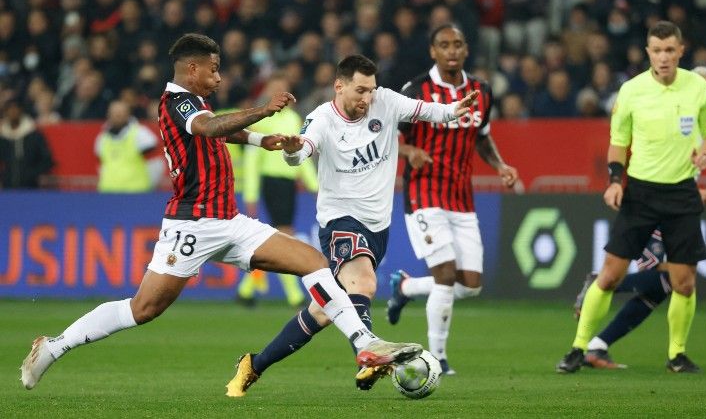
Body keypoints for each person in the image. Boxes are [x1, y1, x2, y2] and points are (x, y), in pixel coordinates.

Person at [20, 33, 422, 393]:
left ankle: (365, 345)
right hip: (191, 225)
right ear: (191, 69)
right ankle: (54, 347)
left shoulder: (196, 103)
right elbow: (209, 129)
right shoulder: (176, 102)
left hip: (229, 221)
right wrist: (263, 110)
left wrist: (262, 140)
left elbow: (220, 129)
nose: (218, 76)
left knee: (314, 263)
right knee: (143, 309)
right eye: (213, 69)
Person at [226, 53, 479, 394]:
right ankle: (368, 354)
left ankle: (253, 365)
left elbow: (423, 110)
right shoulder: (321, 119)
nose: (367, 98)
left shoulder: (386, 102)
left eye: (371, 90)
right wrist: (290, 150)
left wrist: (453, 110)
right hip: (341, 222)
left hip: (378, 226)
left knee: (322, 312)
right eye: (360, 91)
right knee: (364, 282)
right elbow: (301, 152)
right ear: (339, 86)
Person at [556, 21, 706, 374]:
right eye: (657, 51)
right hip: (641, 192)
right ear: (648, 52)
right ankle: (578, 348)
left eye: (669, 51)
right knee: (611, 276)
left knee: (684, 282)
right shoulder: (631, 91)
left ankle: (677, 354)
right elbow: (618, 142)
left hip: (682, 193)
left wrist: (705, 153)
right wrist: (615, 181)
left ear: (680, 51)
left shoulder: (700, 90)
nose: (663, 58)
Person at [571, 65, 706, 370]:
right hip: (646, 203)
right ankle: (604, 286)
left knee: (665, 285)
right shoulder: (663, 105)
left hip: (679, 205)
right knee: (669, 278)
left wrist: (694, 191)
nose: (702, 93)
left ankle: (598, 345)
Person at [385, 24, 518, 376]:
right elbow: (389, 137)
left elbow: (482, 138)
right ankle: (438, 359)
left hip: (462, 198)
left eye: (457, 44)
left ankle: (406, 286)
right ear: (433, 51)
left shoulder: (481, 91)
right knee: (445, 274)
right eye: (444, 45)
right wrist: (411, 150)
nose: (452, 51)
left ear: (466, 49)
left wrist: (501, 165)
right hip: (424, 192)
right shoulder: (416, 90)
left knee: (471, 285)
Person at [236, 73, 317, 308]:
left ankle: (246, 290)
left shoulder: (294, 119)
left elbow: (303, 153)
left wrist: (313, 185)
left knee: (276, 240)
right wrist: (250, 194)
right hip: (271, 182)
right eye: (276, 89)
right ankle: (294, 296)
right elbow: (252, 159)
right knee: (284, 237)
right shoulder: (264, 121)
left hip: (288, 184)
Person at [95, 99, 163, 193]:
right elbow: (101, 165)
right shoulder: (102, 138)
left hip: (136, 192)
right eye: (114, 113)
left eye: (121, 113)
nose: (117, 116)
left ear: (128, 114)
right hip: (107, 192)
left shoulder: (141, 134)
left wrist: (152, 186)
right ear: (108, 115)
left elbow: (156, 163)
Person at [0, 97, 54, 188]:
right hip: (7, 188)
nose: (13, 112)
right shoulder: (3, 137)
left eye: (15, 108)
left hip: (30, 189)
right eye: (9, 109)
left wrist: (32, 174)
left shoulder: (33, 135)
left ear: (21, 110)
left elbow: (47, 160)